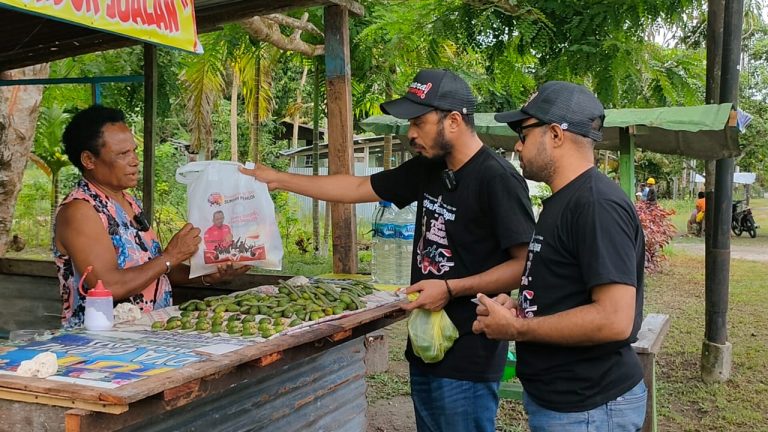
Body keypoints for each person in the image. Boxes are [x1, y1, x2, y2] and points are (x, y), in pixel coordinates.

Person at [240, 69, 535, 432]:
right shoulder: (430, 169)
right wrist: (279, 179)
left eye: (419, 122)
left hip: (469, 351)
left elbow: (523, 266)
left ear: (454, 121)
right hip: (425, 345)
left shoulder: (498, 178)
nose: (411, 133)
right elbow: (357, 187)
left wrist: (449, 288)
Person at [474, 81, 647, 431]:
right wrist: (522, 308)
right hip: (565, 403)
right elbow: (568, 290)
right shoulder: (565, 200)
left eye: (524, 134)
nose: (518, 145)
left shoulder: (596, 204)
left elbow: (615, 318)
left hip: (589, 407)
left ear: (555, 134)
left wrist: (517, 328)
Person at [54, 105, 247, 329]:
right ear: (89, 159)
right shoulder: (80, 210)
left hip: (147, 333)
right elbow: (107, 286)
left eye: (134, 151)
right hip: (103, 342)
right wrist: (171, 256)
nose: (135, 160)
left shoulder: (128, 201)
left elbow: (156, 271)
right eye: (123, 154)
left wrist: (207, 275)